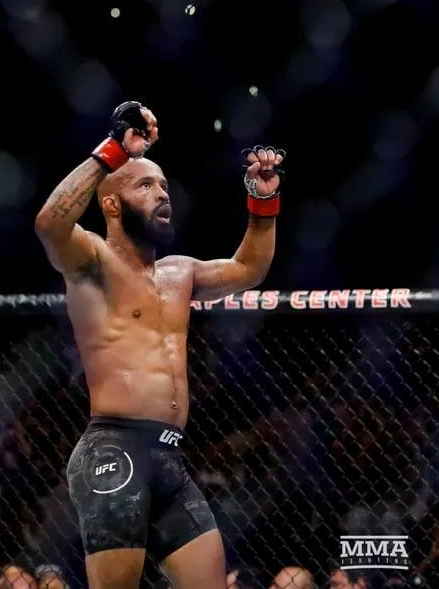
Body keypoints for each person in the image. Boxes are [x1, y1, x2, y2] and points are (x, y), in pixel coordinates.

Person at [34, 101, 282, 588]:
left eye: (165, 185)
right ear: (111, 203)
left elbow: (249, 270)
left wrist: (262, 203)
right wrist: (110, 154)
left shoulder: (180, 272)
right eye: (145, 185)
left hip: (171, 456)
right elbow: (49, 223)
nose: (162, 194)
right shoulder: (92, 261)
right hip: (114, 447)